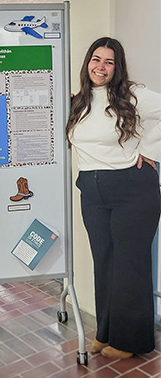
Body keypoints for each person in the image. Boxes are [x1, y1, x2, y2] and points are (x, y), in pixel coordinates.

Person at [66, 37, 161, 359]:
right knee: (104, 262)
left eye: (109, 62)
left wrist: (150, 150)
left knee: (129, 265)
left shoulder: (133, 95)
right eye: (96, 59)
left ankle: (132, 341)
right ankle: (106, 332)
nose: (101, 67)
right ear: (87, 62)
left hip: (132, 189)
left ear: (117, 67)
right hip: (91, 190)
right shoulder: (79, 100)